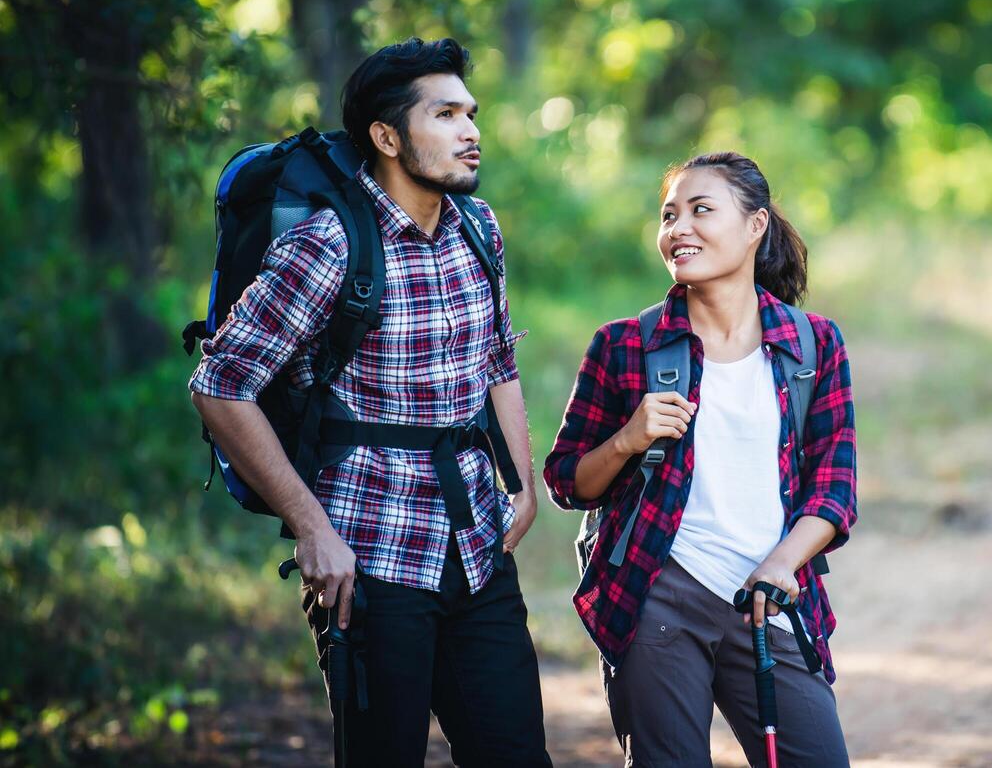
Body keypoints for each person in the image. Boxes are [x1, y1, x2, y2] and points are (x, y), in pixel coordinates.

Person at [190, 37, 552, 767]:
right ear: (387, 137)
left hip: (476, 547)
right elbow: (220, 384)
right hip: (371, 556)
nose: (470, 131)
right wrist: (310, 528)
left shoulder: (478, 230)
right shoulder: (328, 245)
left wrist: (523, 482)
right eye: (446, 115)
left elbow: (497, 360)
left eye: (471, 113)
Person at [544, 151, 857, 767]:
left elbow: (834, 487)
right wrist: (627, 439)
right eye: (668, 215)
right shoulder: (624, 344)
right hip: (657, 596)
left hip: (770, 596)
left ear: (755, 226)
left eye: (701, 210)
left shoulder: (813, 344)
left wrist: (781, 565)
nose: (678, 228)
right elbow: (567, 482)